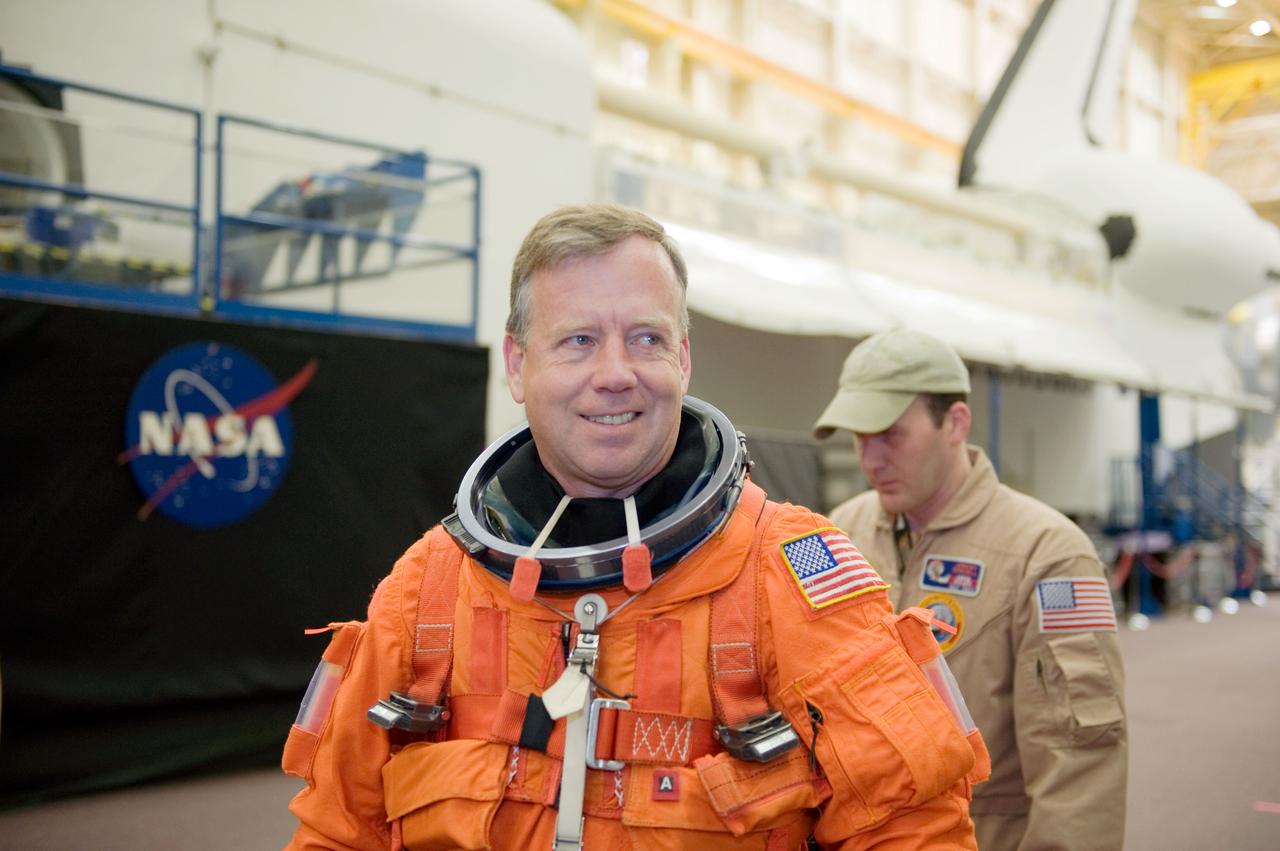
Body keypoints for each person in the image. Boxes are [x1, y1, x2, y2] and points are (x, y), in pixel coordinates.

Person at [282, 205, 987, 850]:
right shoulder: (429, 588)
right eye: (579, 339)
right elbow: (338, 830)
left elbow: (911, 828)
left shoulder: (784, 570)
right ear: (518, 364)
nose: (615, 373)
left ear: (682, 359)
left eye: (645, 338)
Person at [812, 328, 1128, 851]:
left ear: (955, 422)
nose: (871, 460)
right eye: (859, 437)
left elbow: (1079, 760)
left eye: (890, 434)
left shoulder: (1049, 554)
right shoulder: (837, 534)